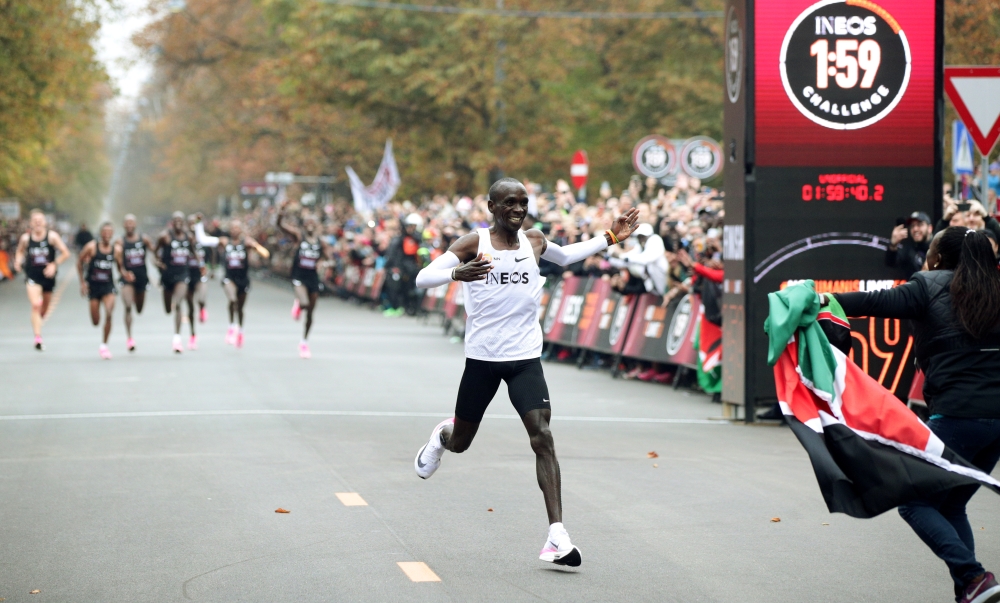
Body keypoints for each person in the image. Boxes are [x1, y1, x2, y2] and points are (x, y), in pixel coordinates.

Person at [412, 177, 640, 567]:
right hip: (483, 360)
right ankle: (442, 435)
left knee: (543, 435)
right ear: (491, 207)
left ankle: (557, 537)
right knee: (463, 441)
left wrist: (610, 237)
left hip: (525, 358)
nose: (518, 210)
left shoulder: (534, 240)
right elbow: (422, 278)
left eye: (523, 203)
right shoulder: (473, 244)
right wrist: (456, 275)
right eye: (509, 204)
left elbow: (566, 256)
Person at [831, 227, 1000, 603]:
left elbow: (872, 304)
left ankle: (973, 576)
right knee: (952, 503)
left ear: (937, 257)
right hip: (996, 422)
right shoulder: (995, 288)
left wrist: (823, 300)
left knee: (913, 500)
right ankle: (971, 592)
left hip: (958, 414)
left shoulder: (927, 285)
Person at [196, 218, 269, 348]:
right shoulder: (224, 241)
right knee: (233, 300)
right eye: (233, 228)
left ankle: (241, 330)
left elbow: (265, 254)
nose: (235, 230)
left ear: (241, 230)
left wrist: (255, 246)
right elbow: (203, 240)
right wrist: (198, 224)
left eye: (237, 228)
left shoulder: (246, 243)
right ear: (230, 230)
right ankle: (231, 327)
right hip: (229, 277)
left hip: (243, 278)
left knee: (240, 308)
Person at [277, 204, 333, 358]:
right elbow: (280, 226)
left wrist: (325, 263)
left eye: (312, 222)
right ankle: (298, 303)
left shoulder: (321, 242)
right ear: (304, 224)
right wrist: (281, 213)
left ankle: (304, 342)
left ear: (316, 226)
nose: (309, 224)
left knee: (310, 312)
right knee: (304, 303)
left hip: (312, 278)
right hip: (298, 276)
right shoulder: (299, 236)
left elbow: (330, 259)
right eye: (307, 222)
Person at [13, 210, 70, 350]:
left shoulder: (52, 237)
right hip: (32, 276)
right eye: (35, 220)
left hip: (48, 277)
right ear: (31, 223)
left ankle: (38, 322)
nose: (38, 222)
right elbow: (20, 251)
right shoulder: (26, 239)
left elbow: (65, 253)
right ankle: (38, 337)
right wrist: (17, 261)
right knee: (36, 305)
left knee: (43, 309)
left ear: (45, 222)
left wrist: (54, 264)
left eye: (40, 220)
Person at [77, 222, 120, 359]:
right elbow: (79, 262)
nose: (107, 234)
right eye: (105, 232)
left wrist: (126, 274)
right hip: (94, 286)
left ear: (112, 234)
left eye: (109, 232)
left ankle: (104, 346)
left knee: (109, 313)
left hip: (108, 286)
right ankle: (103, 341)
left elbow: (121, 267)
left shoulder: (117, 250)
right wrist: (83, 283)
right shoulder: (91, 247)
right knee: (96, 321)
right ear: (101, 233)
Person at [155, 211, 193, 353]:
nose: (178, 222)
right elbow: (154, 253)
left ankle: (177, 339)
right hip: (167, 276)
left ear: (183, 223)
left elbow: (194, 252)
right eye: (175, 219)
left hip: (182, 274)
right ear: (172, 222)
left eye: (180, 220)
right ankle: (170, 304)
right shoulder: (165, 237)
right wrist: (158, 263)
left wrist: (201, 266)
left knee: (177, 303)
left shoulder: (188, 237)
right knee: (168, 309)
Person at [117, 214, 154, 352]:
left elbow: (154, 253)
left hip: (141, 278)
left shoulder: (143, 239)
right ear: (123, 225)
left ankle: (135, 297)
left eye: (132, 223)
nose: (129, 225)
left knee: (138, 309)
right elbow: (118, 263)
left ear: (136, 224)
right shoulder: (120, 242)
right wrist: (124, 273)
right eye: (127, 223)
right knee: (127, 306)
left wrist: (159, 263)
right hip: (127, 279)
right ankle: (130, 338)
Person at [607, 222, 668, 295]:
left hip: (666, 281)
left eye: (642, 236)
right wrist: (609, 257)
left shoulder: (655, 239)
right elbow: (626, 260)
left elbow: (645, 259)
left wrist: (622, 257)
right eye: (639, 237)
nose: (640, 239)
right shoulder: (640, 247)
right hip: (655, 288)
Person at [382, 213, 424, 317]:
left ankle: (404, 307)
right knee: (393, 287)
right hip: (397, 267)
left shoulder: (416, 239)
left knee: (406, 288)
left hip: (409, 268)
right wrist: (388, 265)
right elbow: (392, 253)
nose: (410, 229)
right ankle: (395, 307)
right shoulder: (400, 239)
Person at [185, 214, 209, 350]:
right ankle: (193, 335)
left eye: (195, 223)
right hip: (187, 274)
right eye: (190, 223)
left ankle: (202, 308)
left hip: (200, 274)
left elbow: (212, 250)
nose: (192, 225)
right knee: (190, 307)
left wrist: (210, 266)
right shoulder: (184, 239)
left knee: (200, 298)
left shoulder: (203, 239)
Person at [886, 211, 933, 278]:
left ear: (930, 228)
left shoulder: (938, 247)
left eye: (919, 225)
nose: (915, 229)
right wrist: (893, 245)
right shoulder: (908, 249)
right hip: (915, 287)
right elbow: (891, 263)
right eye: (912, 226)